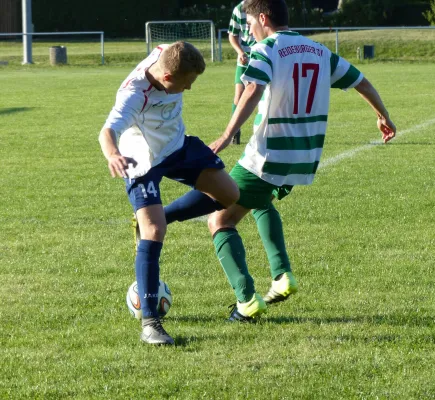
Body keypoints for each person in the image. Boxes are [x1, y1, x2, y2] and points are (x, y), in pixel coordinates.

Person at [206, 0, 396, 322]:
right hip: (304, 157)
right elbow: (361, 81)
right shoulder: (319, 50)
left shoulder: (266, 48)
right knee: (261, 202)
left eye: (251, 24)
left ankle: (246, 300)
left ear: (263, 19)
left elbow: (252, 87)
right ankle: (282, 277)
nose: (249, 30)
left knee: (219, 220)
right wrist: (383, 115)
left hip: (269, 154)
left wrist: (225, 135)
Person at [98, 41, 239, 345]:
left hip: (177, 147)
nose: (189, 89)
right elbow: (107, 131)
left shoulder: (167, 53)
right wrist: (112, 155)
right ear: (167, 79)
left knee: (229, 195)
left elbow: (175, 48)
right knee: (153, 230)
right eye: (187, 83)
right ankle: (150, 323)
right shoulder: (133, 95)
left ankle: (163, 216)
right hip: (141, 159)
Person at [228, 0, 256, 144]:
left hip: (263, 56)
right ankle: (234, 131)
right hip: (245, 58)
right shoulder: (239, 9)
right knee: (238, 96)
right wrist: (240, 52)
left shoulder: (265, 5)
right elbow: (232, 35)